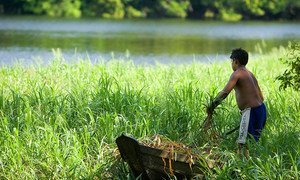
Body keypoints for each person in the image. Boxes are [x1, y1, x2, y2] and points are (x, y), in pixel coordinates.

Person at [207, 48, 267, 156]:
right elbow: (261, 97)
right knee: (252, 142)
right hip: (261, 110)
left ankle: (240, 169)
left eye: (231, 62)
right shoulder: (250, 74)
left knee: (242, 144)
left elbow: (225, 92)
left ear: (235, 61)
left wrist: (212, 105)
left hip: (251, 111)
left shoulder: (237, 74)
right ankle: (249, 166)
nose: (231, 64)